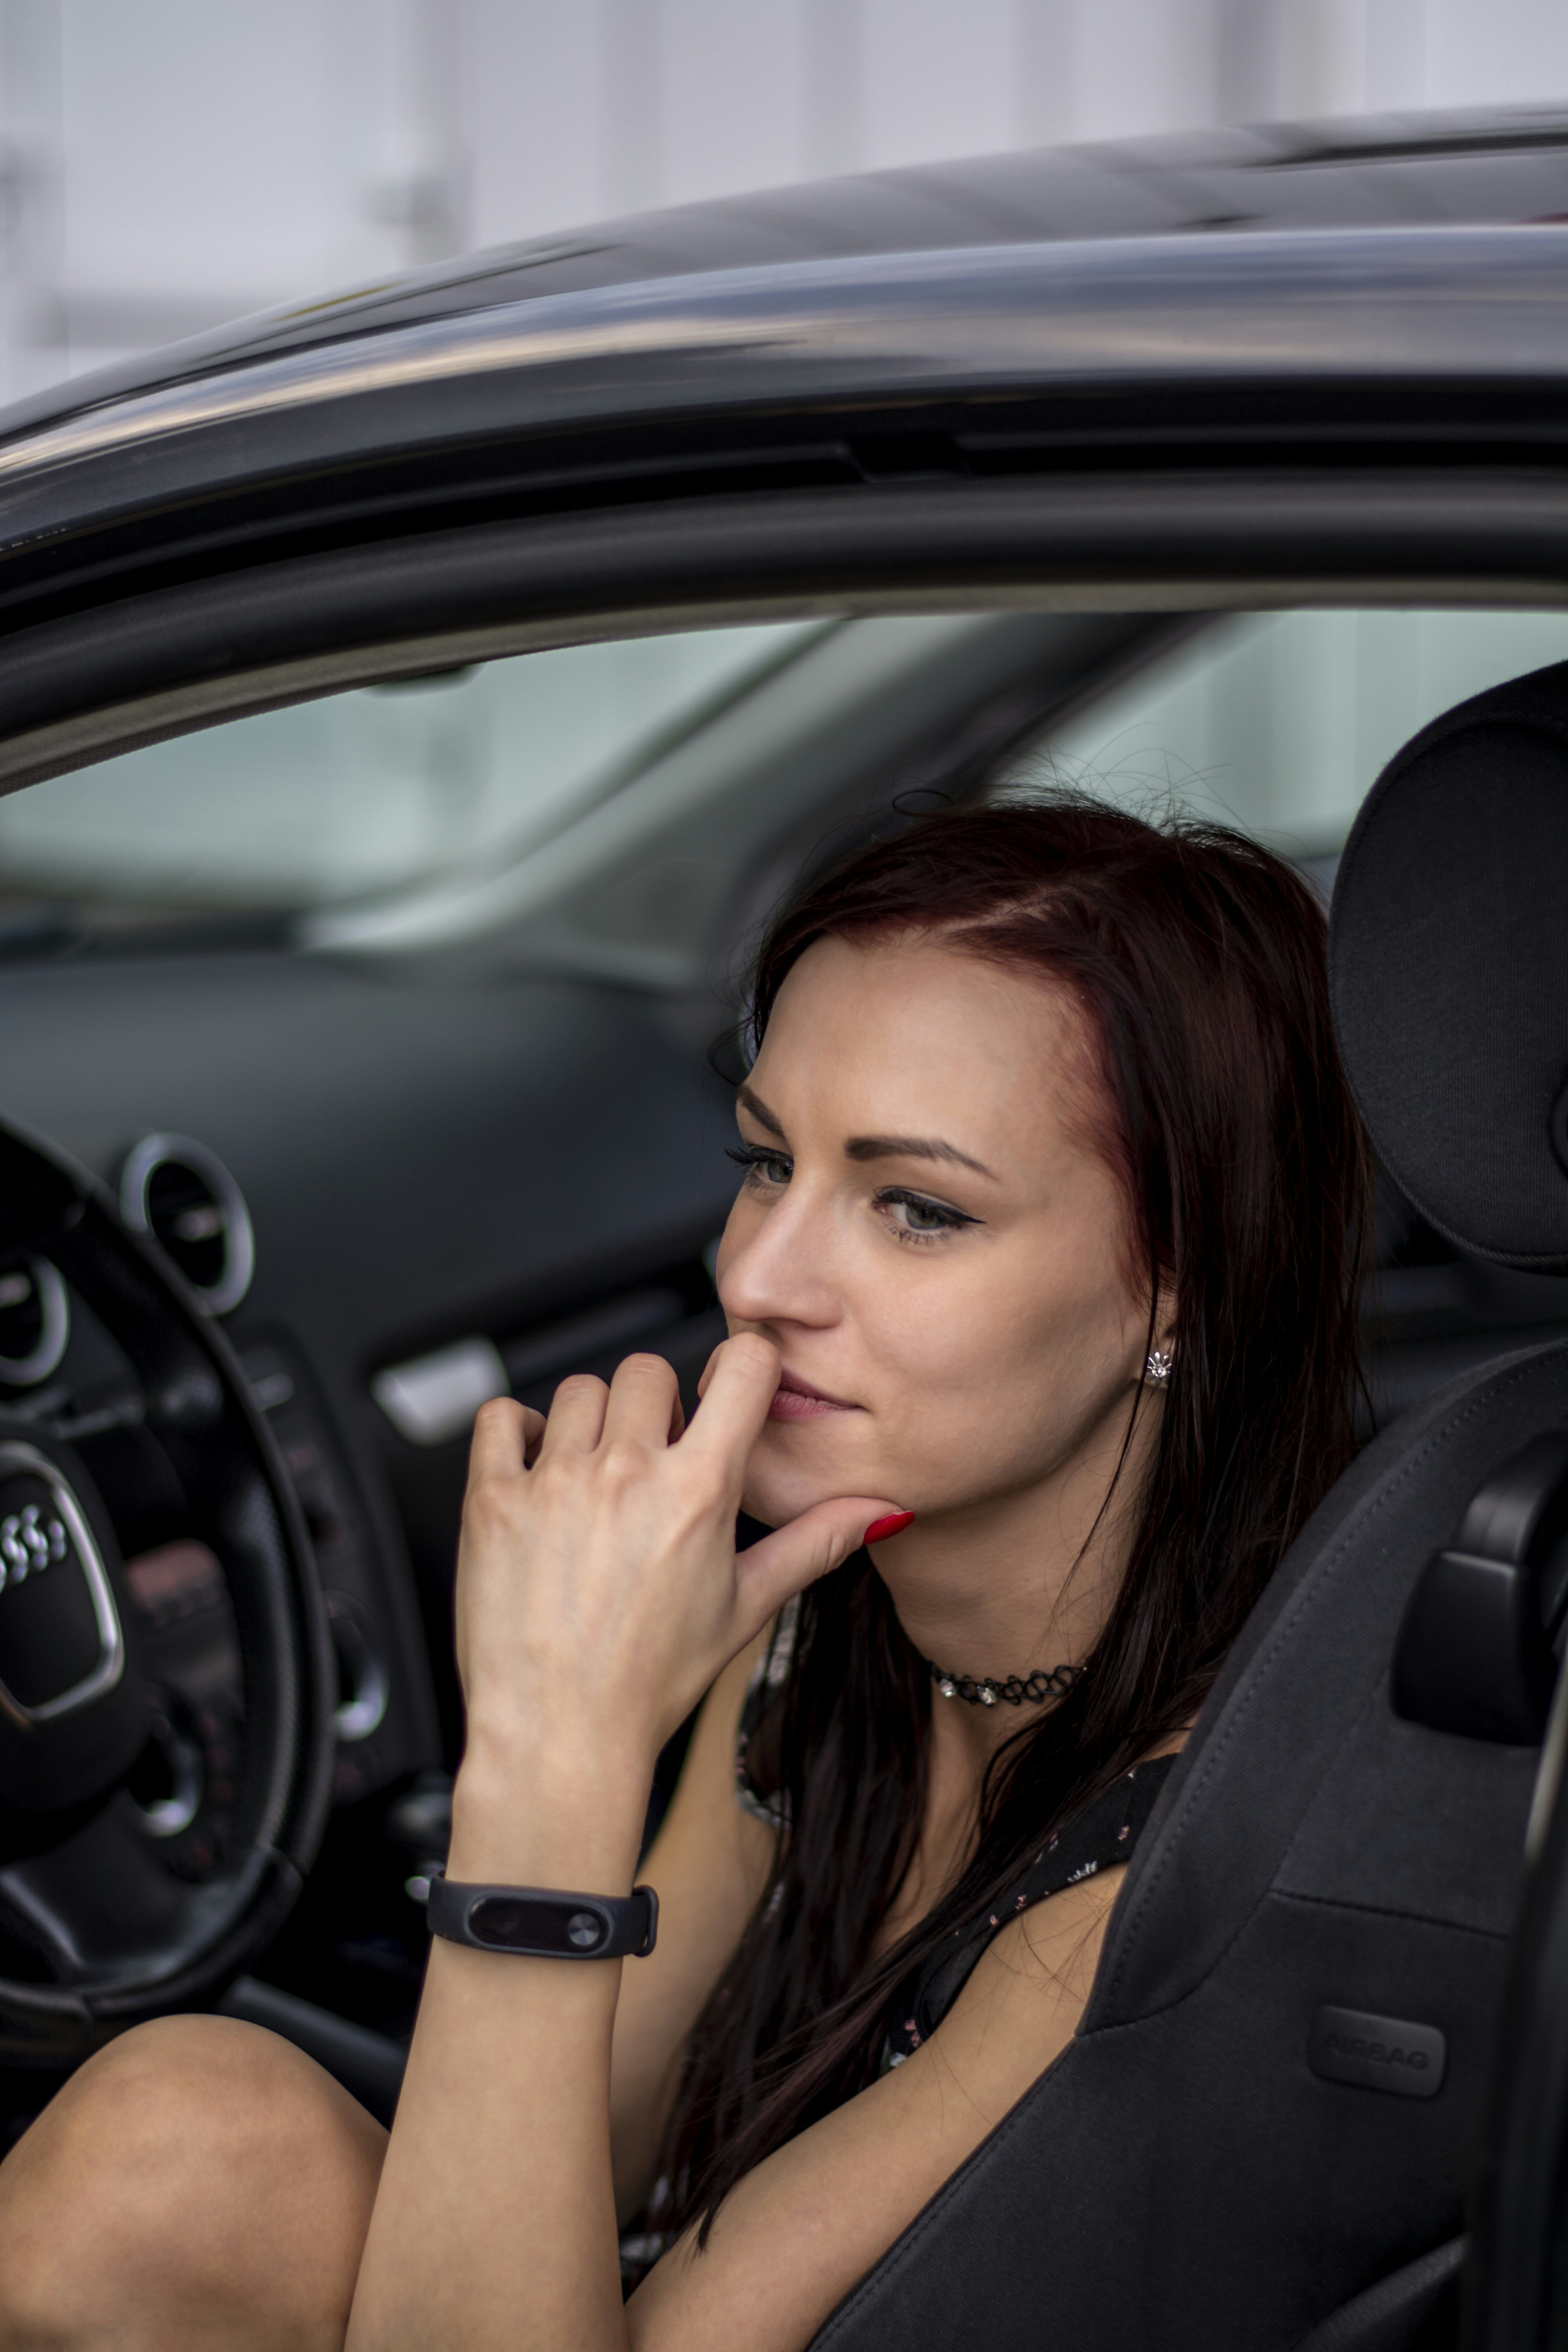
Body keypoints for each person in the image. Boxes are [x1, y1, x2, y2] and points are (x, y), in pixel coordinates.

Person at [0, 799, 1370, 2352]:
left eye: (916, 1208)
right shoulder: (828, 1633)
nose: (758, 1279)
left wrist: (548, 1752)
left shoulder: (1145, 1894)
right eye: (766, 1163)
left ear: (1177, 1286)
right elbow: (583, 2146)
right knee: (190, 2131)